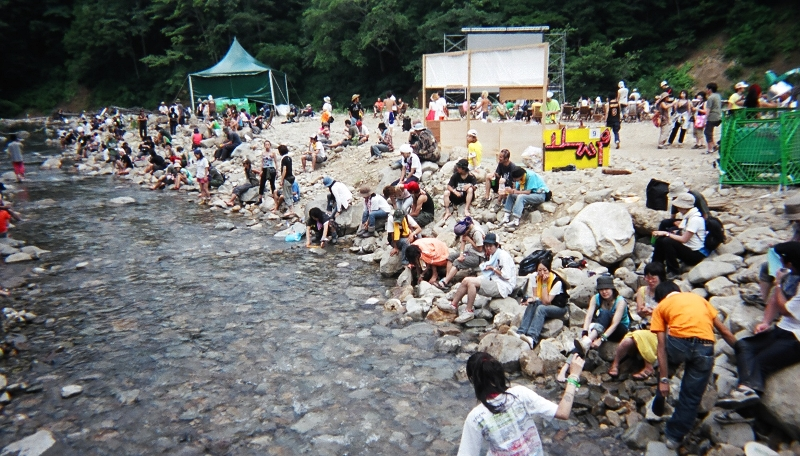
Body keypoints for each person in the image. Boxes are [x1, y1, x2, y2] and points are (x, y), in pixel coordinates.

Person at [651, 281, 737, 449]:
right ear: (678, 291)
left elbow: (661, 346)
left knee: (666, 358)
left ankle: (662, 388)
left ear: (661, 297)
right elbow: (724, 331)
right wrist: (743, 353)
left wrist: (663, 378)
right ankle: (674, 438)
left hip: (678, 345)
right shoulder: (700, 300)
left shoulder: (661, 306)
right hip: (705, 347)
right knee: (691, 395)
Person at [716, 241, 800, 411]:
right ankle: (747, 390)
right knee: (744, 345)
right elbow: (775, 303)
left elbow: (784, 309)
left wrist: (777, 284)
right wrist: (766, 322)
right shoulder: (792, 276)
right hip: (783, 329)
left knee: (760, 362)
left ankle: (746, 399)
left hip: (796, 338)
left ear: (789, 263)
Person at [457, 352, 584, 456]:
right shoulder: (520, 394)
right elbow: (563, 412)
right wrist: (573, 377)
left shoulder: (476, 418)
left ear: (474, 381)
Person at [608, 262, 666, 379]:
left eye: (653, 278)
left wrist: (653, 312)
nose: (650, 281)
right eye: (647, 277)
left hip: (659, 329)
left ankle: (648, 367)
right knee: (626, 342)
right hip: (644, 325)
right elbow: (639, 311)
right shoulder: (642, 290)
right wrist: (643, 311)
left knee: (640, 335)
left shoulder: (665, 291)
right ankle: (615, 364)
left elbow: (668, 314)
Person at [449, 233, 516, 324]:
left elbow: (507, 276)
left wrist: (493, 269)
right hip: (494, 279)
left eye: (490, 246)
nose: (488, 248)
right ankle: (453, 305)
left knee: (471, 282)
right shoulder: (494, 254)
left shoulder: (503, 256)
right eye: (486, 246)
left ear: (496, 245)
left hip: (503, 286)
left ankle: (469, 311)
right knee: (466, 280)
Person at [568, 275, 630, 366]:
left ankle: (586, 343)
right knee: (588, 336)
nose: (604, 292)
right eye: (601, 289)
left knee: (605, 313)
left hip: (619, 329)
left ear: (612, 288)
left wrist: (601, 339)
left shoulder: (620, 302)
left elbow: (615, 324)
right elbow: (589, 316)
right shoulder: (596, 298)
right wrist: (584, 333)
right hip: (602, 327)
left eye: (607, 289)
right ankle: (568, 365)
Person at [512, 256, 570, 349]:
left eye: (545, 270)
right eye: (539, 270)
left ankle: (532, 337)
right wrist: (531, 300)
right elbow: (536, 296)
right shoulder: (535, 277)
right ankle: (521, 332)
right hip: (546, 302)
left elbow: (546, 301)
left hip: (559, 307)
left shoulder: (557, 282)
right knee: (533, 303)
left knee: (541, 309)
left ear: (549, 270)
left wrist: (544, 283)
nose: (542, 273)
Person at [652, 192, 707, 278]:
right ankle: (655, 267)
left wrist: (666, 233)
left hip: (695, 253)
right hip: (687, 247)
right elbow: (683, 232)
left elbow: (684, 239)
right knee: (660, 240)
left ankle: (674, 271)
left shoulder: (695, 219)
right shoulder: (688, 216)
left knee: (667, 241)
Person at [438, 217, 485, 289]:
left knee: (458, 262)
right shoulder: (466, 229)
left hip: (479, 256)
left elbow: (480, 249)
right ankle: (447, 279)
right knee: (451, 257)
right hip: (470, 251)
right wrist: (461, 254)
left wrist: (470, 240)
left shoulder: (477, 233)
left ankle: (445, 281)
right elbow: (463, 242)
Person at [704, 82, 723, 154]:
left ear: (710, 90)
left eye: (707, 89)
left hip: (712, 117)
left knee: (707, 132)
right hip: (718, 115)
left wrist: (705, 119)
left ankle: (710, 149)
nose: (706, 90)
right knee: (710, 132)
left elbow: (708, 109)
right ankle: (714, 146)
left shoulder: (710, 97)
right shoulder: (718, 96)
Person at [258, 140, 277, 205]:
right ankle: (260, 198)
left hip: (271, 168)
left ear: (270, 145)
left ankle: (275, 197)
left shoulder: (273, 153)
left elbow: (276, 161)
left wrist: (277, 170)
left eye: (268, 144)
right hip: (265, 169)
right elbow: (262, 162)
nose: (267, 146)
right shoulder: (263, 153)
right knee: (262, 183)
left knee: (272, 184)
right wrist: (261, 170)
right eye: (266, 145)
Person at [278, 145, 295, 217]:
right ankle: (292, 209)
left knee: (286, 195)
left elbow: (284, 170)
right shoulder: (289, 158)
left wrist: (281, 180)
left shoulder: (284, 159)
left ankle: (291, 211)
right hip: (291, 177)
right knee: (290, 193)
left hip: (287, 178)